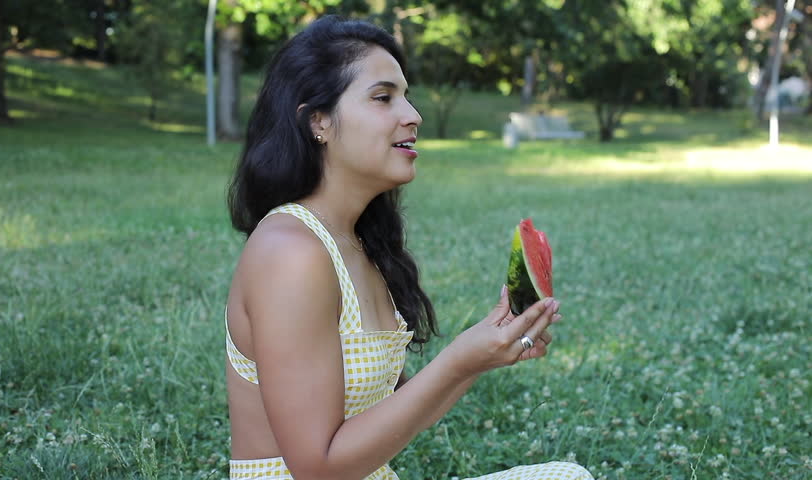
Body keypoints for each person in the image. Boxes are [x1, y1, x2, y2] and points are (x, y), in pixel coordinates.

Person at [224, 15, 594, 480]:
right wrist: (459, 358)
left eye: (405, 95)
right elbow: (316, 468)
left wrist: (480, 353)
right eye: (383, 98)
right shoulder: (289, 252)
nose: (412, 115)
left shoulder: (359, 244)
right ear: (317, 121)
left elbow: (389, 419)